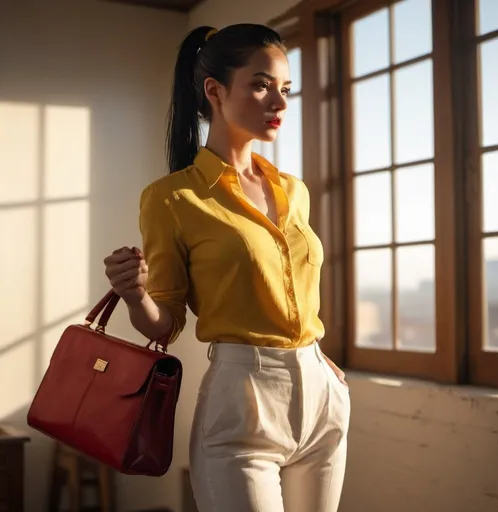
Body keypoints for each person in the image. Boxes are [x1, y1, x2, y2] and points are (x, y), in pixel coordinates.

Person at [103, 23, 350, 512]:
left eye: (285, 89)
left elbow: (294, 293)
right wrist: (136, 296)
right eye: (261, 85)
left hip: (321, 398)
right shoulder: (173, 198)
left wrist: (318, 364)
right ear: (214, 91)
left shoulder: (293, 190)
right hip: (242, 406)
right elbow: (167, 324)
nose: (278, 102)